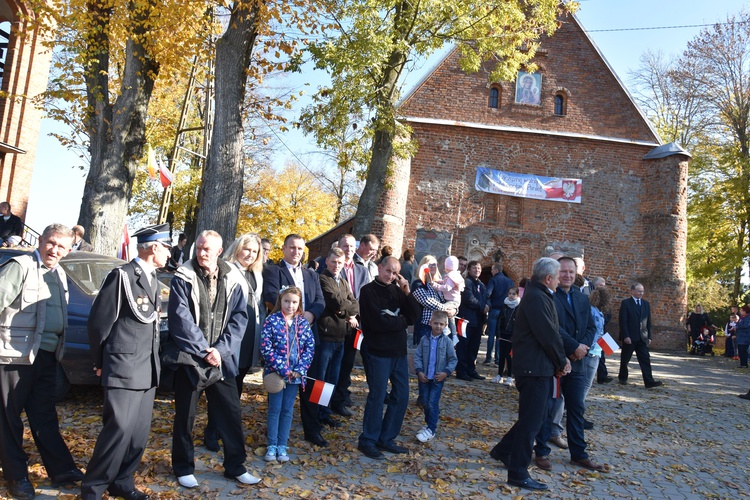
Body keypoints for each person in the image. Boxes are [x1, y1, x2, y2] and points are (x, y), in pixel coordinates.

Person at [82, 224, 172, 500]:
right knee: (118, 431)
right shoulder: (121, 276)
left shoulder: (153, 278)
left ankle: (122, 481)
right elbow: (99, 323)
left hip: (147, 368)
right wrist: (99, 361)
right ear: (154, 247)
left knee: (137, 435)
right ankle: (93, 488)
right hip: (123, 366)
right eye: (167, 247)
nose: (169, 253)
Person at [167, 230, 259, 488]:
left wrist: (221, 350)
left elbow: (240, 318)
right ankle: (183, 467)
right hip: (190, 358)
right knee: (185, 416)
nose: (201, 253)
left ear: (219, 251)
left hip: (221, 359)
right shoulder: (183, 276)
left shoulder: (232, 278)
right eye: (198, 248)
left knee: (230, 413)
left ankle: (235, 466)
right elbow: (180, 319)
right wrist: (203, 350)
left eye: (207, 249)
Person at [0, 223, 84, 500]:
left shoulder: (59, 273)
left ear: (69, 249)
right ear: (40, 241)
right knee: (8, 417)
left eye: (61, 246)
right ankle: (17, 476)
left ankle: (62, 470)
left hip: (46, 356)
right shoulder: (21, 266)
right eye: (50, 243)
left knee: (44, 414)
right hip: (14, 356)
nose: (54, 249)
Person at [489, 258, 569, 492]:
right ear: (548, 279)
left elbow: (551, 332)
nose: (557, 281)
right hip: (534, 369)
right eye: (556, 277)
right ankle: (518, 472)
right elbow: (548, 334)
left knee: (533, 416)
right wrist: (561, 361)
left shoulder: (539, 295)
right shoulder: (536, 297)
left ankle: (502, 450)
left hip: (537, 367)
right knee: (532, 423)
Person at [535, 256, 604, 472]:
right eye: (563, 272)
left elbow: (592, 327)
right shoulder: (549, 296)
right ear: (556, 273)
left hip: (578, 362)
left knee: (576, 409)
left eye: (571, 272)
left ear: (577, 274)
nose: (567, 275)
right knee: (548, 408)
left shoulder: (583, 298)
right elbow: (553, 328)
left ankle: (579, 454)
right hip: (554, 361)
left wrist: (582, 347)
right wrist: (574, 347)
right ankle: (542, 451)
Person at [201, 233, 266, 452]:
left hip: (249, 336)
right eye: (247, 249)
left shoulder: (256, 273)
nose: (250, 254)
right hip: (230, 336)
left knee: (236, 385)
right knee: (223, 386)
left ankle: (224, 429)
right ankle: (212, 430)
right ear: (237, 248)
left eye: (255, 251)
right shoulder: (227, 270)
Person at [262, 234, 326, 446]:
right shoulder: (273, 271)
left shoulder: (311, 274)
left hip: (308, 335)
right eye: (292, 247)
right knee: (280, 392)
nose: (296, 252)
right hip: (282, 340)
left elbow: (319, 300)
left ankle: (312, 428)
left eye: (300, 248)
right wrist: (292, 316)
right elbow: (271, 296)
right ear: (283, 249)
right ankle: (274, 439)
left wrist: (311, 315)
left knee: (312, 382)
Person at [357, 256, 419, 459]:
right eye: (388, 271)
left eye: (395, 273)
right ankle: (368, 440)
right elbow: (376, 323)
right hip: (378, 352)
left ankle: (386, 437)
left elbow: (414, 316)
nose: (391, 276)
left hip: (398, 352)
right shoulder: (368, 291)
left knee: (401, 396)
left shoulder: (397, 290)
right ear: (380, 267)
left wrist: (407, 291)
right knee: (377, 396)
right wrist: (400, 322)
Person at [260, 286, 315, 462]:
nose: (290, 305)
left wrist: (300, 368)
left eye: (294, 302)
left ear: (299, 304)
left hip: (296, 377)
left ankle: (282, 445)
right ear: (280, 301)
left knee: (287, 410)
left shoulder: (303, 323)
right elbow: (266, 347)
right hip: (276, 375)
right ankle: (272, 445)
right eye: (286, 301)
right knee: (275, 409)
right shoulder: (271, 321)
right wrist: (283, 368)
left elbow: (309, 347)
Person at [317, 248, 358, 427]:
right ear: (327, 261)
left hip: (341, 336)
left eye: (340, 263)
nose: (336, 265)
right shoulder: (322, 279)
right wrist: (344, 306)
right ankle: (316, 414)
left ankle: (325, 411)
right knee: (321, 378)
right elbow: (335, 303)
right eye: (334, 262)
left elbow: (355, 305)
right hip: (326, 336)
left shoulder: (342, 280)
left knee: (332, 379)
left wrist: (345, 308)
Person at [330, 234, 370, 417]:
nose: (349, 249)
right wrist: (348, 313)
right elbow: (337, 299)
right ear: (338, 246)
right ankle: (328, 401)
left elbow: (364, 296)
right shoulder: (333, 268)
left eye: (352, 247)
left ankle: (341, 397)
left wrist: (355, 314)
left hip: (355, 325)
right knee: (331, 366)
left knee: (347, 364)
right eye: (345, 246)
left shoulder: (362, 271)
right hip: (335, 324)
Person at [413, 310, 457, 443]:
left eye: (441, 324)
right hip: (425, 377)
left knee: (432, 402)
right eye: (436, 323)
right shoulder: (424, 339)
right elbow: (418, 356)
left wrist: (446, 372)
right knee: (425, 402)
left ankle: (431, 429)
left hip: (438, 378)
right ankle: (428, 424)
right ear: (430, 323)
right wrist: (419, 371)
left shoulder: (447, 342)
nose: (438, 326)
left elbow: (453, 359)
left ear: (445, 325)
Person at [618, 282, 663, 388]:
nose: (641, 293)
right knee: (625, 359)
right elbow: (623, 321)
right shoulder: (626, 303)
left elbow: (649, 322)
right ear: (632, 291)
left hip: (642, 337)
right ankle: (623, 377)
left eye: (642, 291)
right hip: (630, 337)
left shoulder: (645, 304)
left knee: (645, 359)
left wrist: (649, 336)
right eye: (639, 291)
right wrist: (625, 336)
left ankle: (649, 381)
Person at [411, 255, 457, 347]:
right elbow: (428, 301)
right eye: (429, 264)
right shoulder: (418, 284)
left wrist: (454, 310)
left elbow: (449, 299)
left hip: (443, 327)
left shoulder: (439, 284)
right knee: (427, 358)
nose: (432, 267)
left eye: (434, 265)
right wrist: (446, 310)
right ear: (423, 267)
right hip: (426, 327)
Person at [455, 260, 486, 381]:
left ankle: (471, 369)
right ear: (469, 270)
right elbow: (469, 299)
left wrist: (487, 305)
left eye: (478, 268)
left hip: (477, 321)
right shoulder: (467, 282)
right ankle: (461, 370)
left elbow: (487, 297)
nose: (477, 270)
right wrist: (482, 306)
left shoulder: (481, 285)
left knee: (473, 346)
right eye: (474, 268)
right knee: (463, 346)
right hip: (466, 320)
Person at [484, 262, 513, 365]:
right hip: (504, 312)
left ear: (496, 270)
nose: (491, 271)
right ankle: (497, 359)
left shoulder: (493, 280)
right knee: (499, 336)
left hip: (494, 310)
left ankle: (488, 359)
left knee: (491, 334)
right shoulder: (509, 281)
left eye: (492, 270)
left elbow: (488, 293)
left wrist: (487, 302)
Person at [431, 255, 465, 339]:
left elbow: (446, 287)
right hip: (453, 300)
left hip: (452, 301)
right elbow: (444, 282)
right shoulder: (453, 275)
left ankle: (445, 328)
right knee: (451, 317)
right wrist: (438, 281)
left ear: (447, 267)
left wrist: (435, 285)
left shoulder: (451, 276)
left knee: (442, 310)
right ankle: (454, 335)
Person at [492, 286, 520, 386]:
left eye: (513, 294)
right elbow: (500, 319)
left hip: (511, 335)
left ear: (517, 295)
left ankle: (509, 376)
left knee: (509, 356)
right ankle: (499, 375)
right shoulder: (504, 305)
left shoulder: (518, 307)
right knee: (501, 355)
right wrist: (498, 333)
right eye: (510, 293)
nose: (511, 296)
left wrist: (514, 336)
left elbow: (519, 324)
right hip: (503, 333)